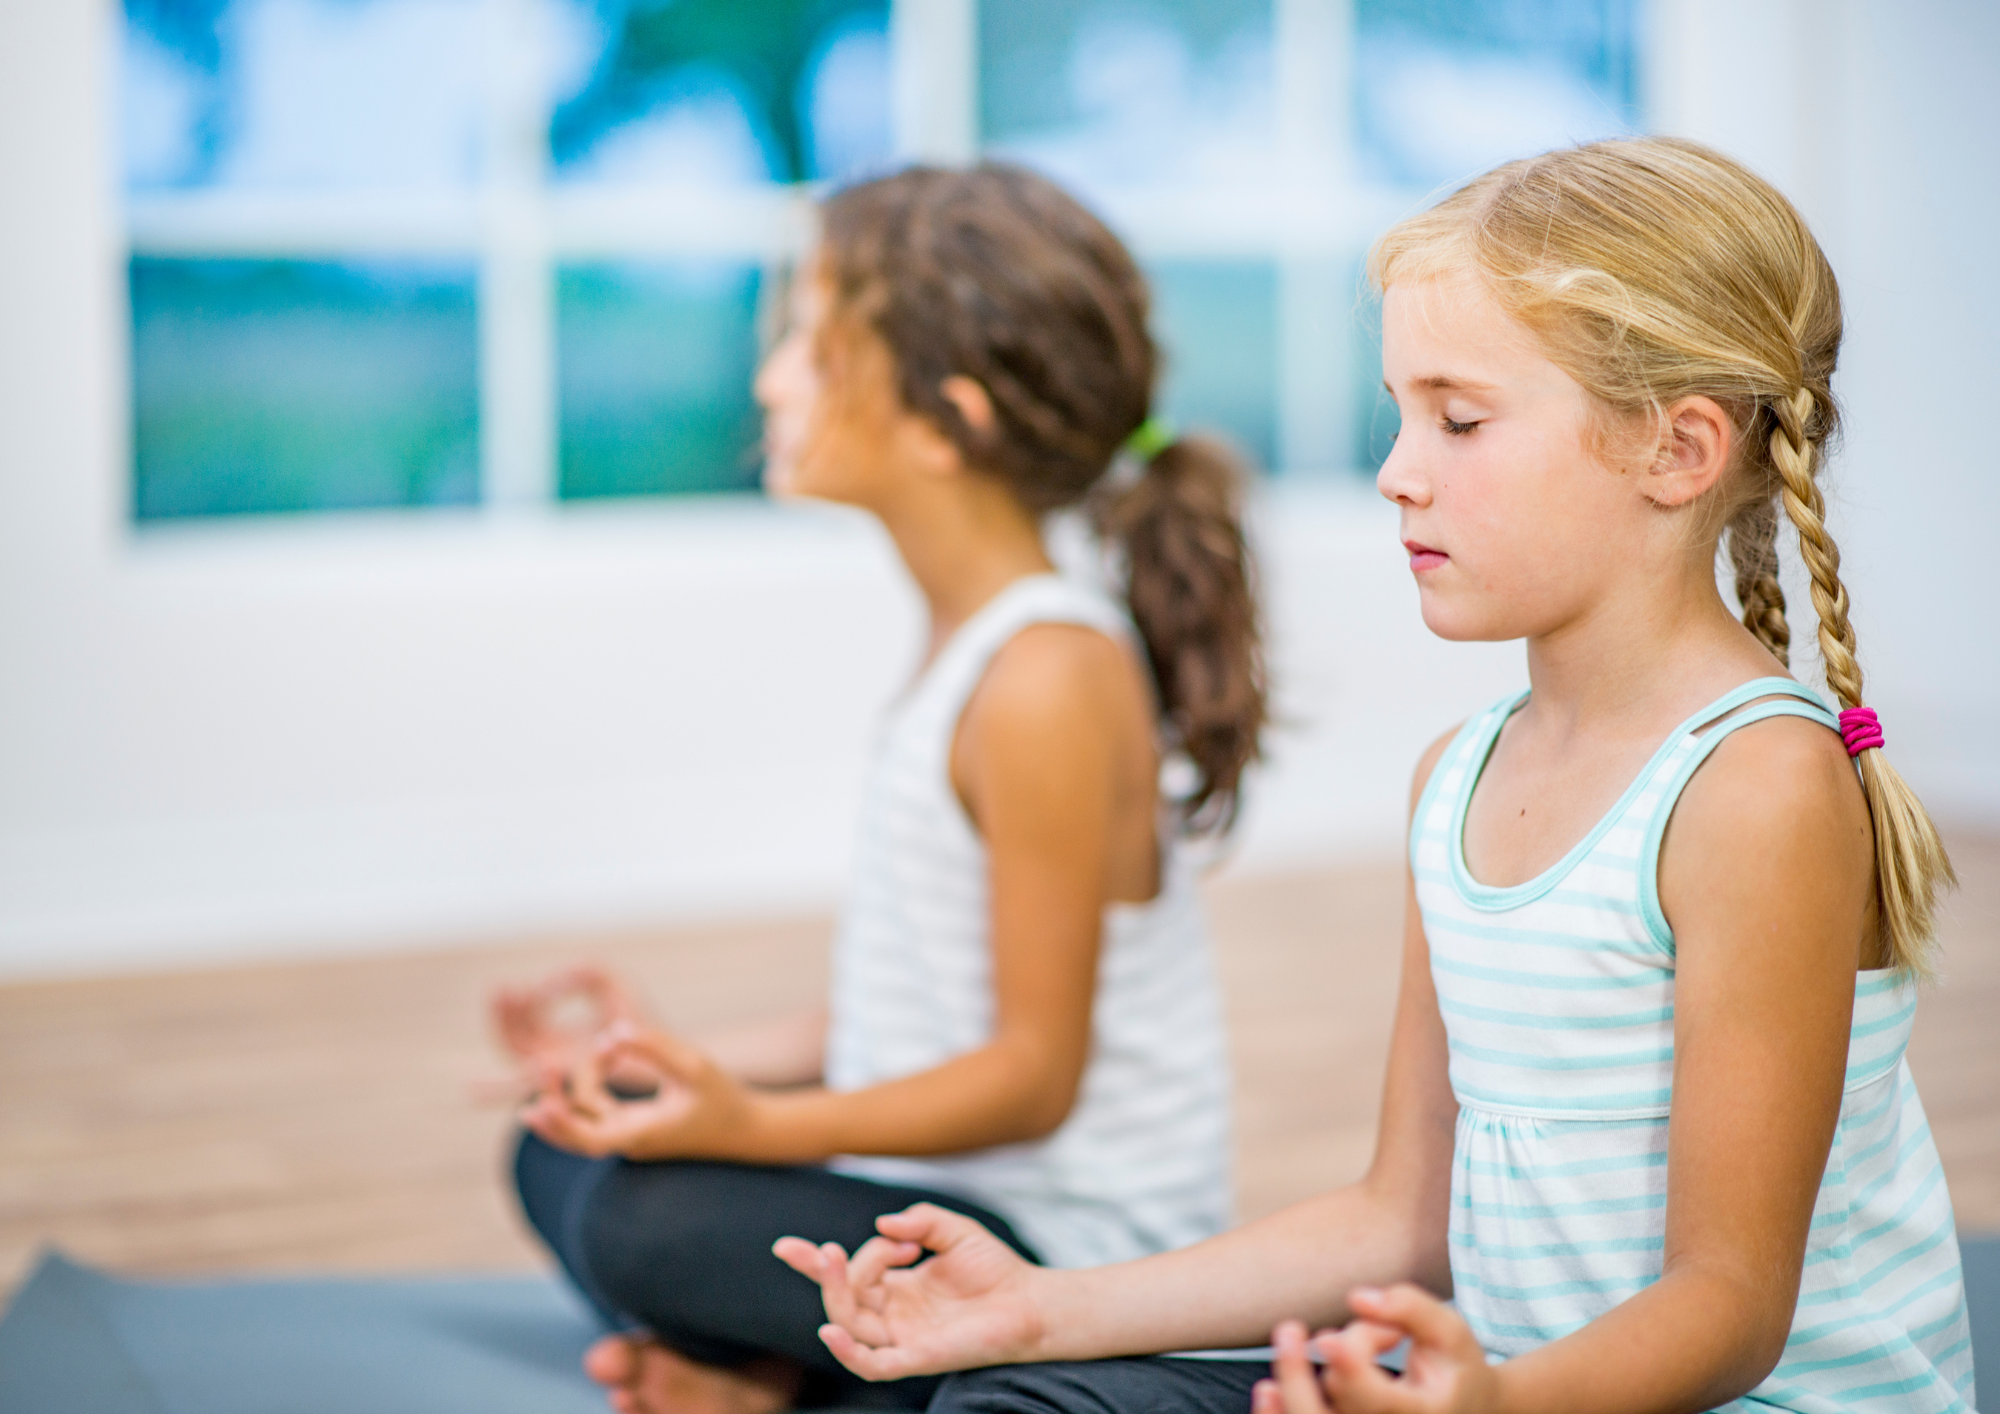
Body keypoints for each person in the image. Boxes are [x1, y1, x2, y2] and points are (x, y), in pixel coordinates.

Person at [777, 137, 1975, 1414]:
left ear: (1676, 450)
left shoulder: (1757, 787)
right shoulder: (1452, 779)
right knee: (1018, 1399)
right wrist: (1035, 1307)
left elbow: (1727, 1306)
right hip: (1491, 1394)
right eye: (1400, 415)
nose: (1397, 471)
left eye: (1458, 420)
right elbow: (1399, 1221)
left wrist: (1486, 1403)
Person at [492, 163, 1267, 1414]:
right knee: (556, 1141)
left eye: (807, 339)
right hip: (931, 1186)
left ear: (939, 423)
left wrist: (740, 1125)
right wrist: (663, 1064)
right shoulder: (968, 647)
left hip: (1059, 1241)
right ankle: (798, 1373)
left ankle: (805, 1379)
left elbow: (1030, 1072)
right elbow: (908, 1010)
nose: (770, 379)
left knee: (652, 1220)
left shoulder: (1045, 676)